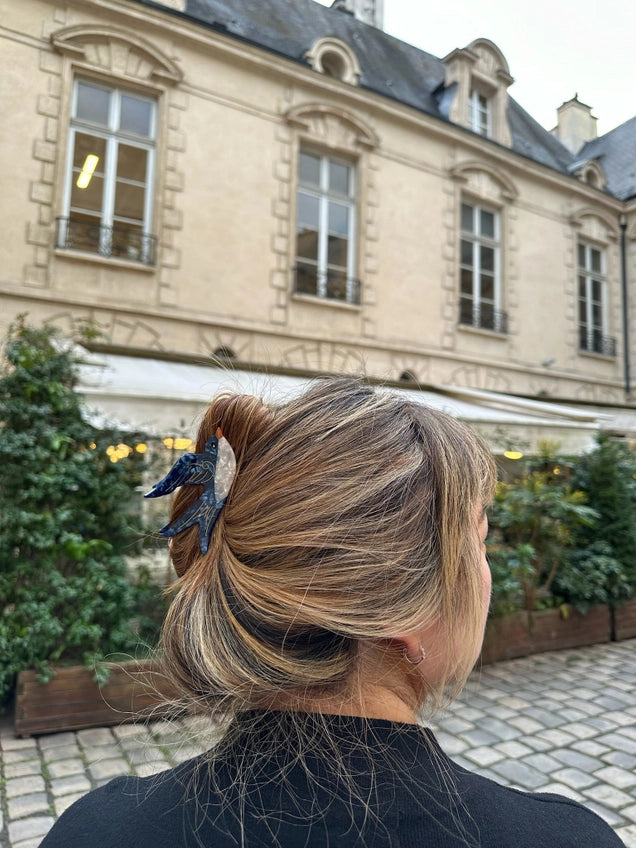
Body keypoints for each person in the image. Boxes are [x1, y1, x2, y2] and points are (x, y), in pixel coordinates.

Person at [41, 378, 624, 847]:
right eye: (480, 541)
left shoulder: (92, 832)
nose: (485, 574)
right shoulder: (564, 840)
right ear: (401, 606)